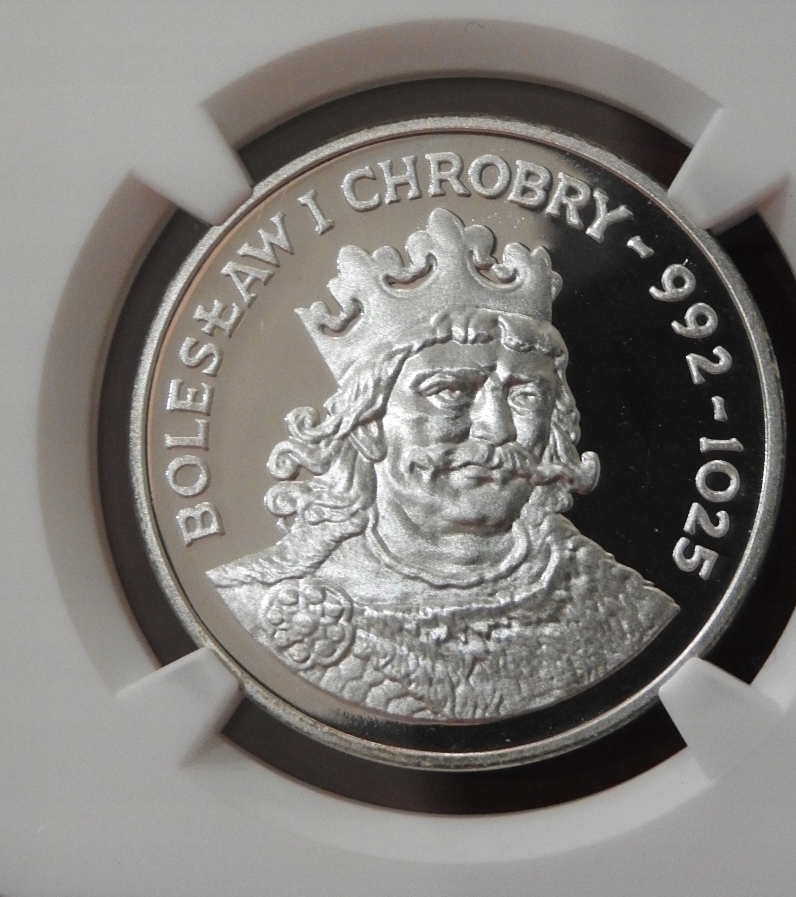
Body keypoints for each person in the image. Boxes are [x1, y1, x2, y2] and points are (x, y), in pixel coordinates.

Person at [209, 207, 677, 721]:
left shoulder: (625, 608)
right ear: (367, 424)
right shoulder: (257, 605)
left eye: (525, 396)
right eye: (450, 391)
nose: (497, 429)